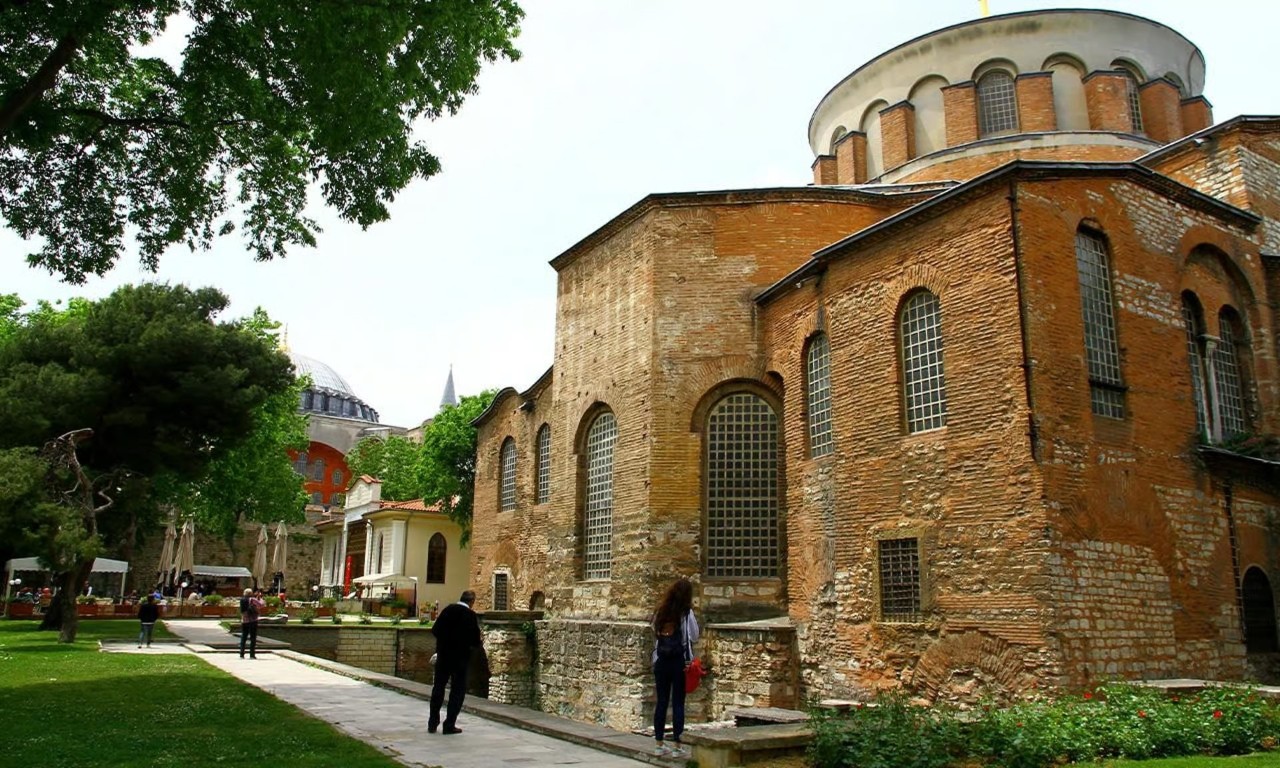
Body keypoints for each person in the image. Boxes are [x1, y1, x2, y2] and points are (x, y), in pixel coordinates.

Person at [651, 577, 699, 759]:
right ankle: (678, 746)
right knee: (678, 703)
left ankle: (659, 744)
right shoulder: (686, 613)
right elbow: (694, 636)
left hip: (661, 661)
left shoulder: (661, 611)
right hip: (679, 662)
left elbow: (654, 630)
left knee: (661, 702)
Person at [428, 590, 482, 735]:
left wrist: (444, 643)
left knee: (438, 688)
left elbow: (435, 630)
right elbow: (475, 640)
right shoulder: (470, 615)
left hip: (444, 656)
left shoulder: (448, 610)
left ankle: (432, 722)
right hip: (460, 659)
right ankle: (449, 724)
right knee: (457, 691)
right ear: (472, 602)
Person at [239, 588, 265, 659]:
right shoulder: (252, 599)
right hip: (252, 620)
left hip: (244, 620)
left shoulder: (242, 600)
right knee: (253, 638)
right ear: (251, 593)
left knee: (244, 637)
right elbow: (261, 605)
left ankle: (241, 654)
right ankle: (252, 654)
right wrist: (260, 598)